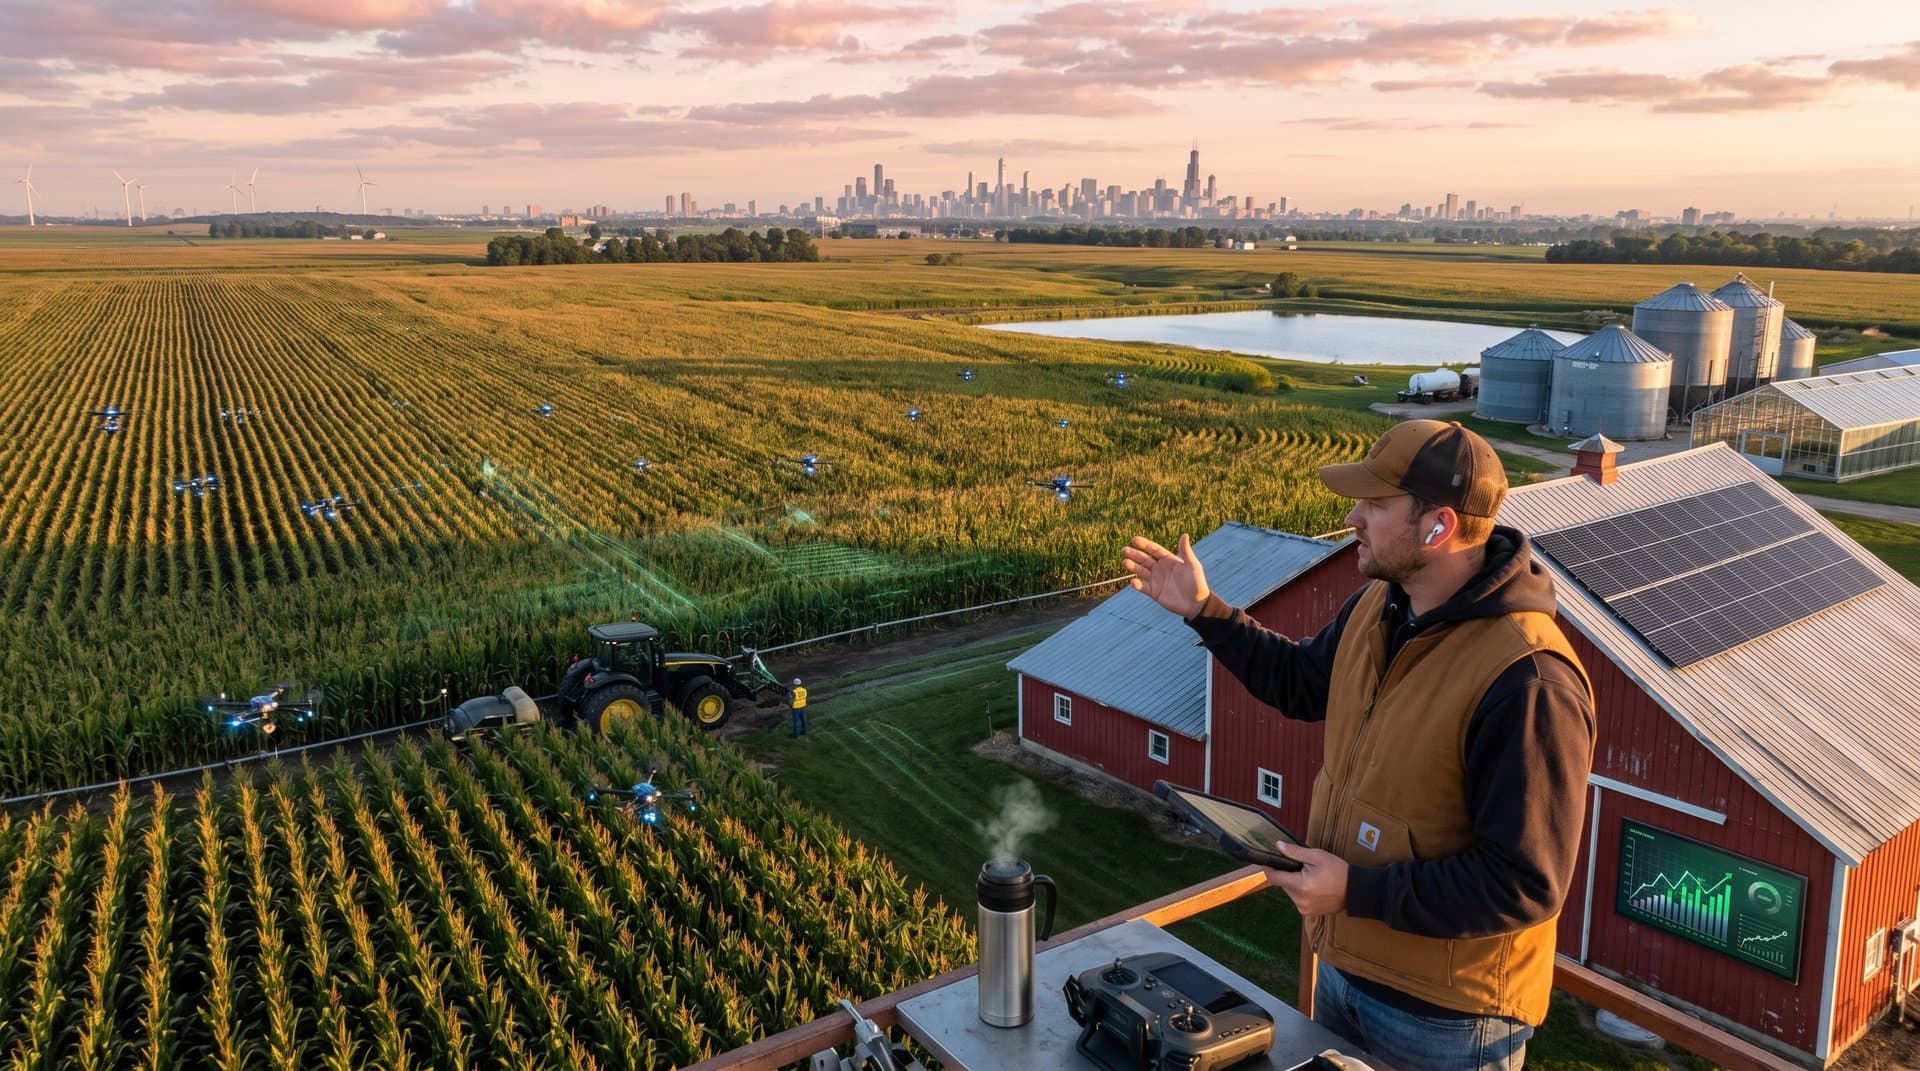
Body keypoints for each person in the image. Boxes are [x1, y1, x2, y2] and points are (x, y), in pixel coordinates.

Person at [1123, 419, 1596, 1071]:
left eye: (1375, 505)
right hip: (1344, 971)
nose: (1352, 517)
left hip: (1448, 1022)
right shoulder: (1381, 604)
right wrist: (1206, 609)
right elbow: (1299, 683)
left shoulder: (1528, 677)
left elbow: (1524, 882)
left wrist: (1356, 891)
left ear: (1439, 527)